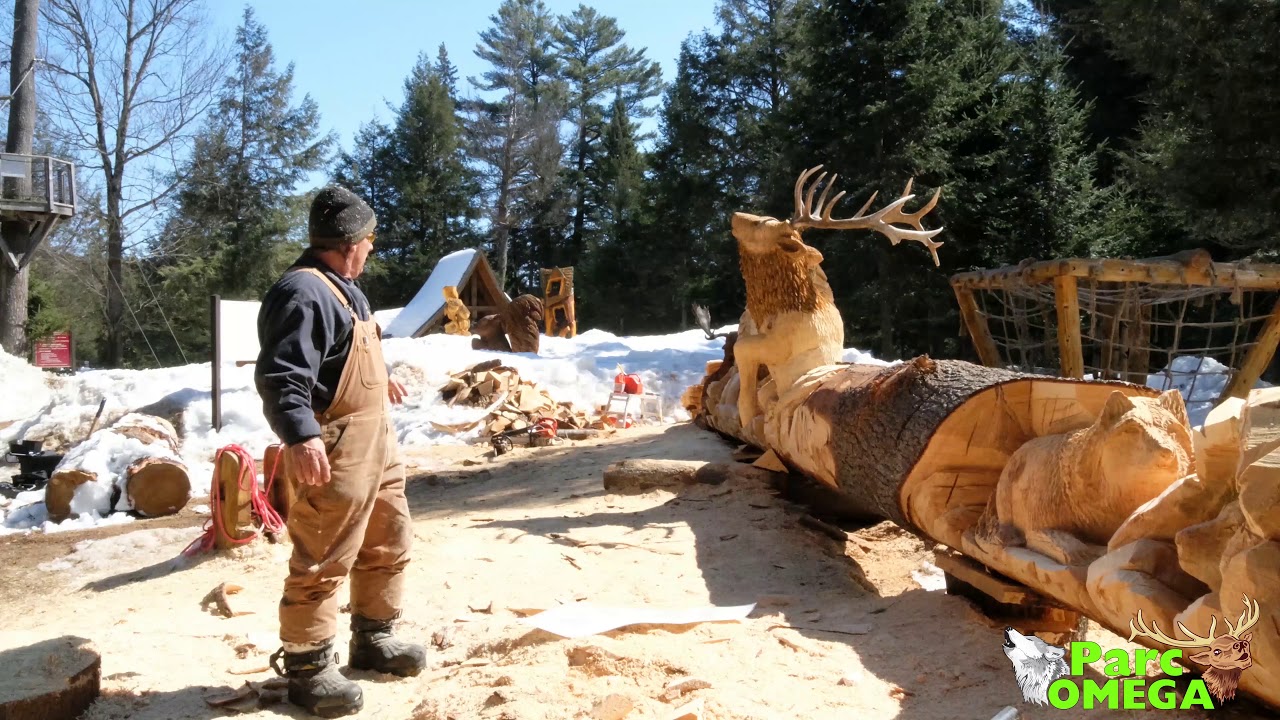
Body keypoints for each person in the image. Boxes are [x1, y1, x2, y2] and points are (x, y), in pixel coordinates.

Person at [255, 185, 424, 718]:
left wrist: (382, 378)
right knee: (324, 552)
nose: (371, 249)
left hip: (377, 442)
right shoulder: (304, 293)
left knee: (387, 539)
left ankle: (374, 636)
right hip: (336, 446)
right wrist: (300, 436)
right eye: (370, 239)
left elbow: (341, 356)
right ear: (352, 242)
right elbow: (283, 375)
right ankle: (307, 668)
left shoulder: (344, 288)